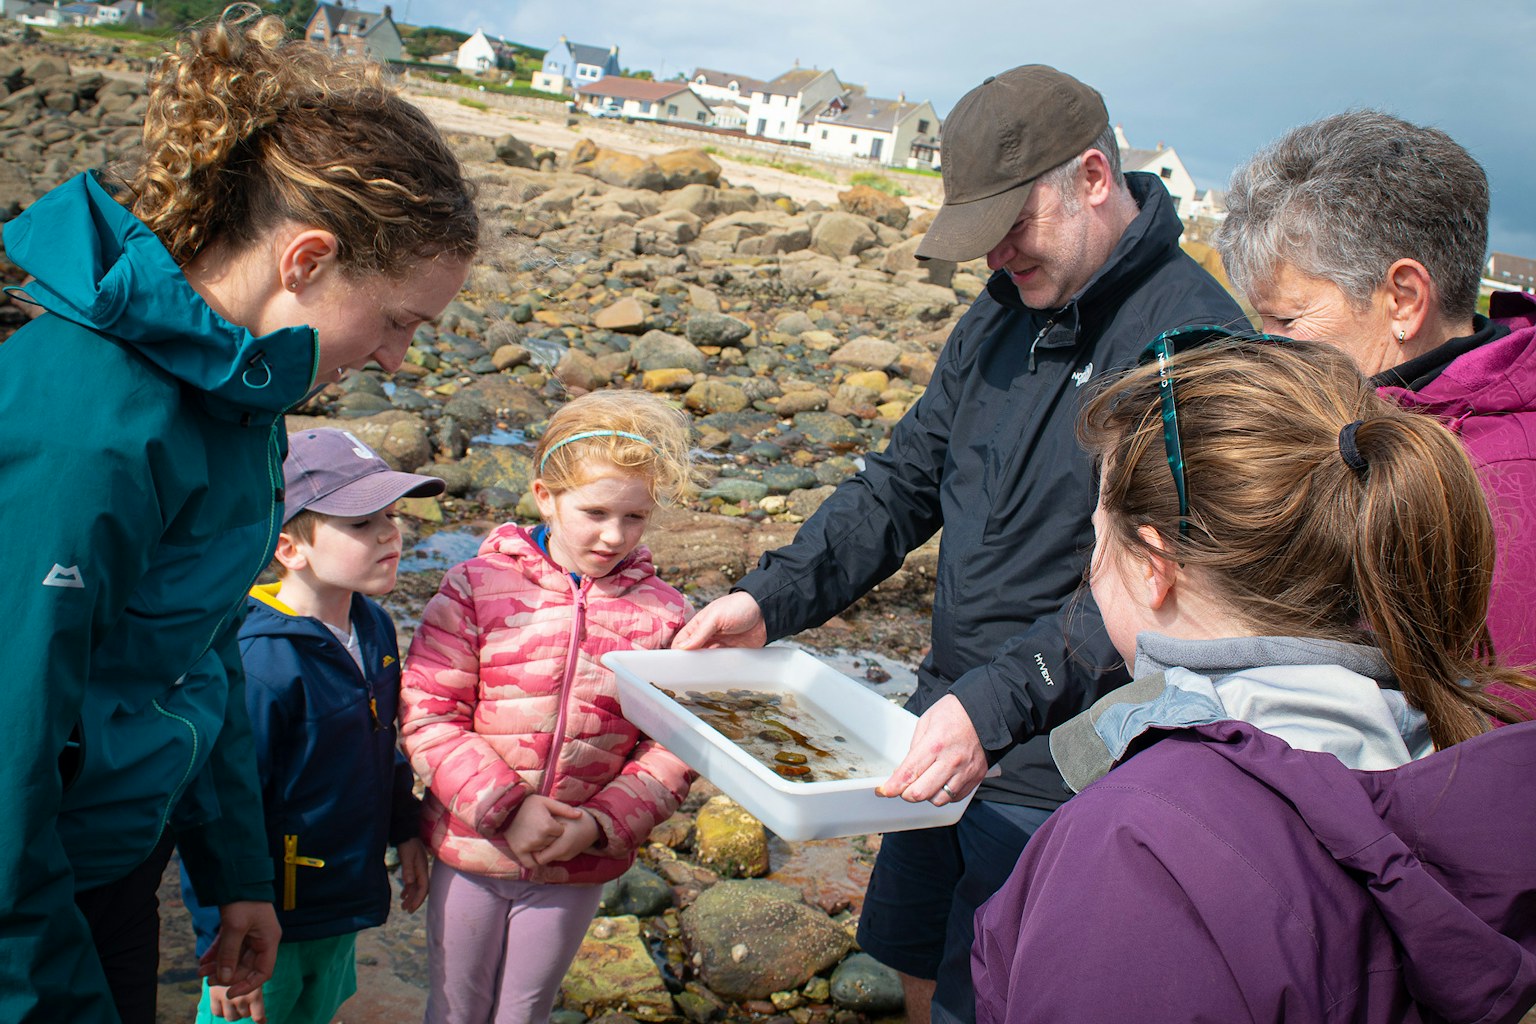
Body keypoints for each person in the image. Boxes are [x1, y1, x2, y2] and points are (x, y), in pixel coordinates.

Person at [672, 64, 1244, 1023]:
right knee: (903, 961)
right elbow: (903, 483)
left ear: (1093, 178)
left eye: (1012, 226)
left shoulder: (1193, 347)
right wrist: (771, 598)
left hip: (1066, 769)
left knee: (999, 998)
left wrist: (995, 704)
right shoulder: (1000, 310)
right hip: (933, 730)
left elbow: (1162, 582)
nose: (996, 257)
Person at [0, 6, 478, 1022]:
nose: (396, 358)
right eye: (397, 320)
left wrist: (239, 868)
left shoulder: (248, 405)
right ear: (305, 258)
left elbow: (202, 653)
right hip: (31, 890)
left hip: (121, 856)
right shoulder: (90, 431)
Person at [971, 334, 1536, 1023]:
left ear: (1155, 564)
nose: (1090, 571)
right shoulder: (1446, 751)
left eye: (1097, 537)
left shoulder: (1140, 853)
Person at [400, 390, 697, 1024]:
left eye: (635, 517)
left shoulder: (666, 613)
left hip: (579, 858)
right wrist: (508, 809)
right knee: (456, 1007)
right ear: (545, 496)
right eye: (594, 512)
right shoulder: (476, 589)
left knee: (525, 1011)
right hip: (473, 847)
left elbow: (676, 744)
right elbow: (429, 714)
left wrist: (597, 825)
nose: (613, 535)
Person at [1217, 110, 1536, 666]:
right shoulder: (1350, 415)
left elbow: (1491, 731)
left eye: (1289, 321)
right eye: (1260, 320)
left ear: (1404, 299)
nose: (1265, 348)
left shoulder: (1500, 495)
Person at [181, 428, 444, 1024]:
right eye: (360, 524)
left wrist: (406, 827)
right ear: (289, 547)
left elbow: (382, 743)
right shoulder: (260, 663)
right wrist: (218, 940)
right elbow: (216, 805)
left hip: (339, 899)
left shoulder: (372, 626)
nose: (389, 534)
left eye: (390, 515)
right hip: (267, 918)